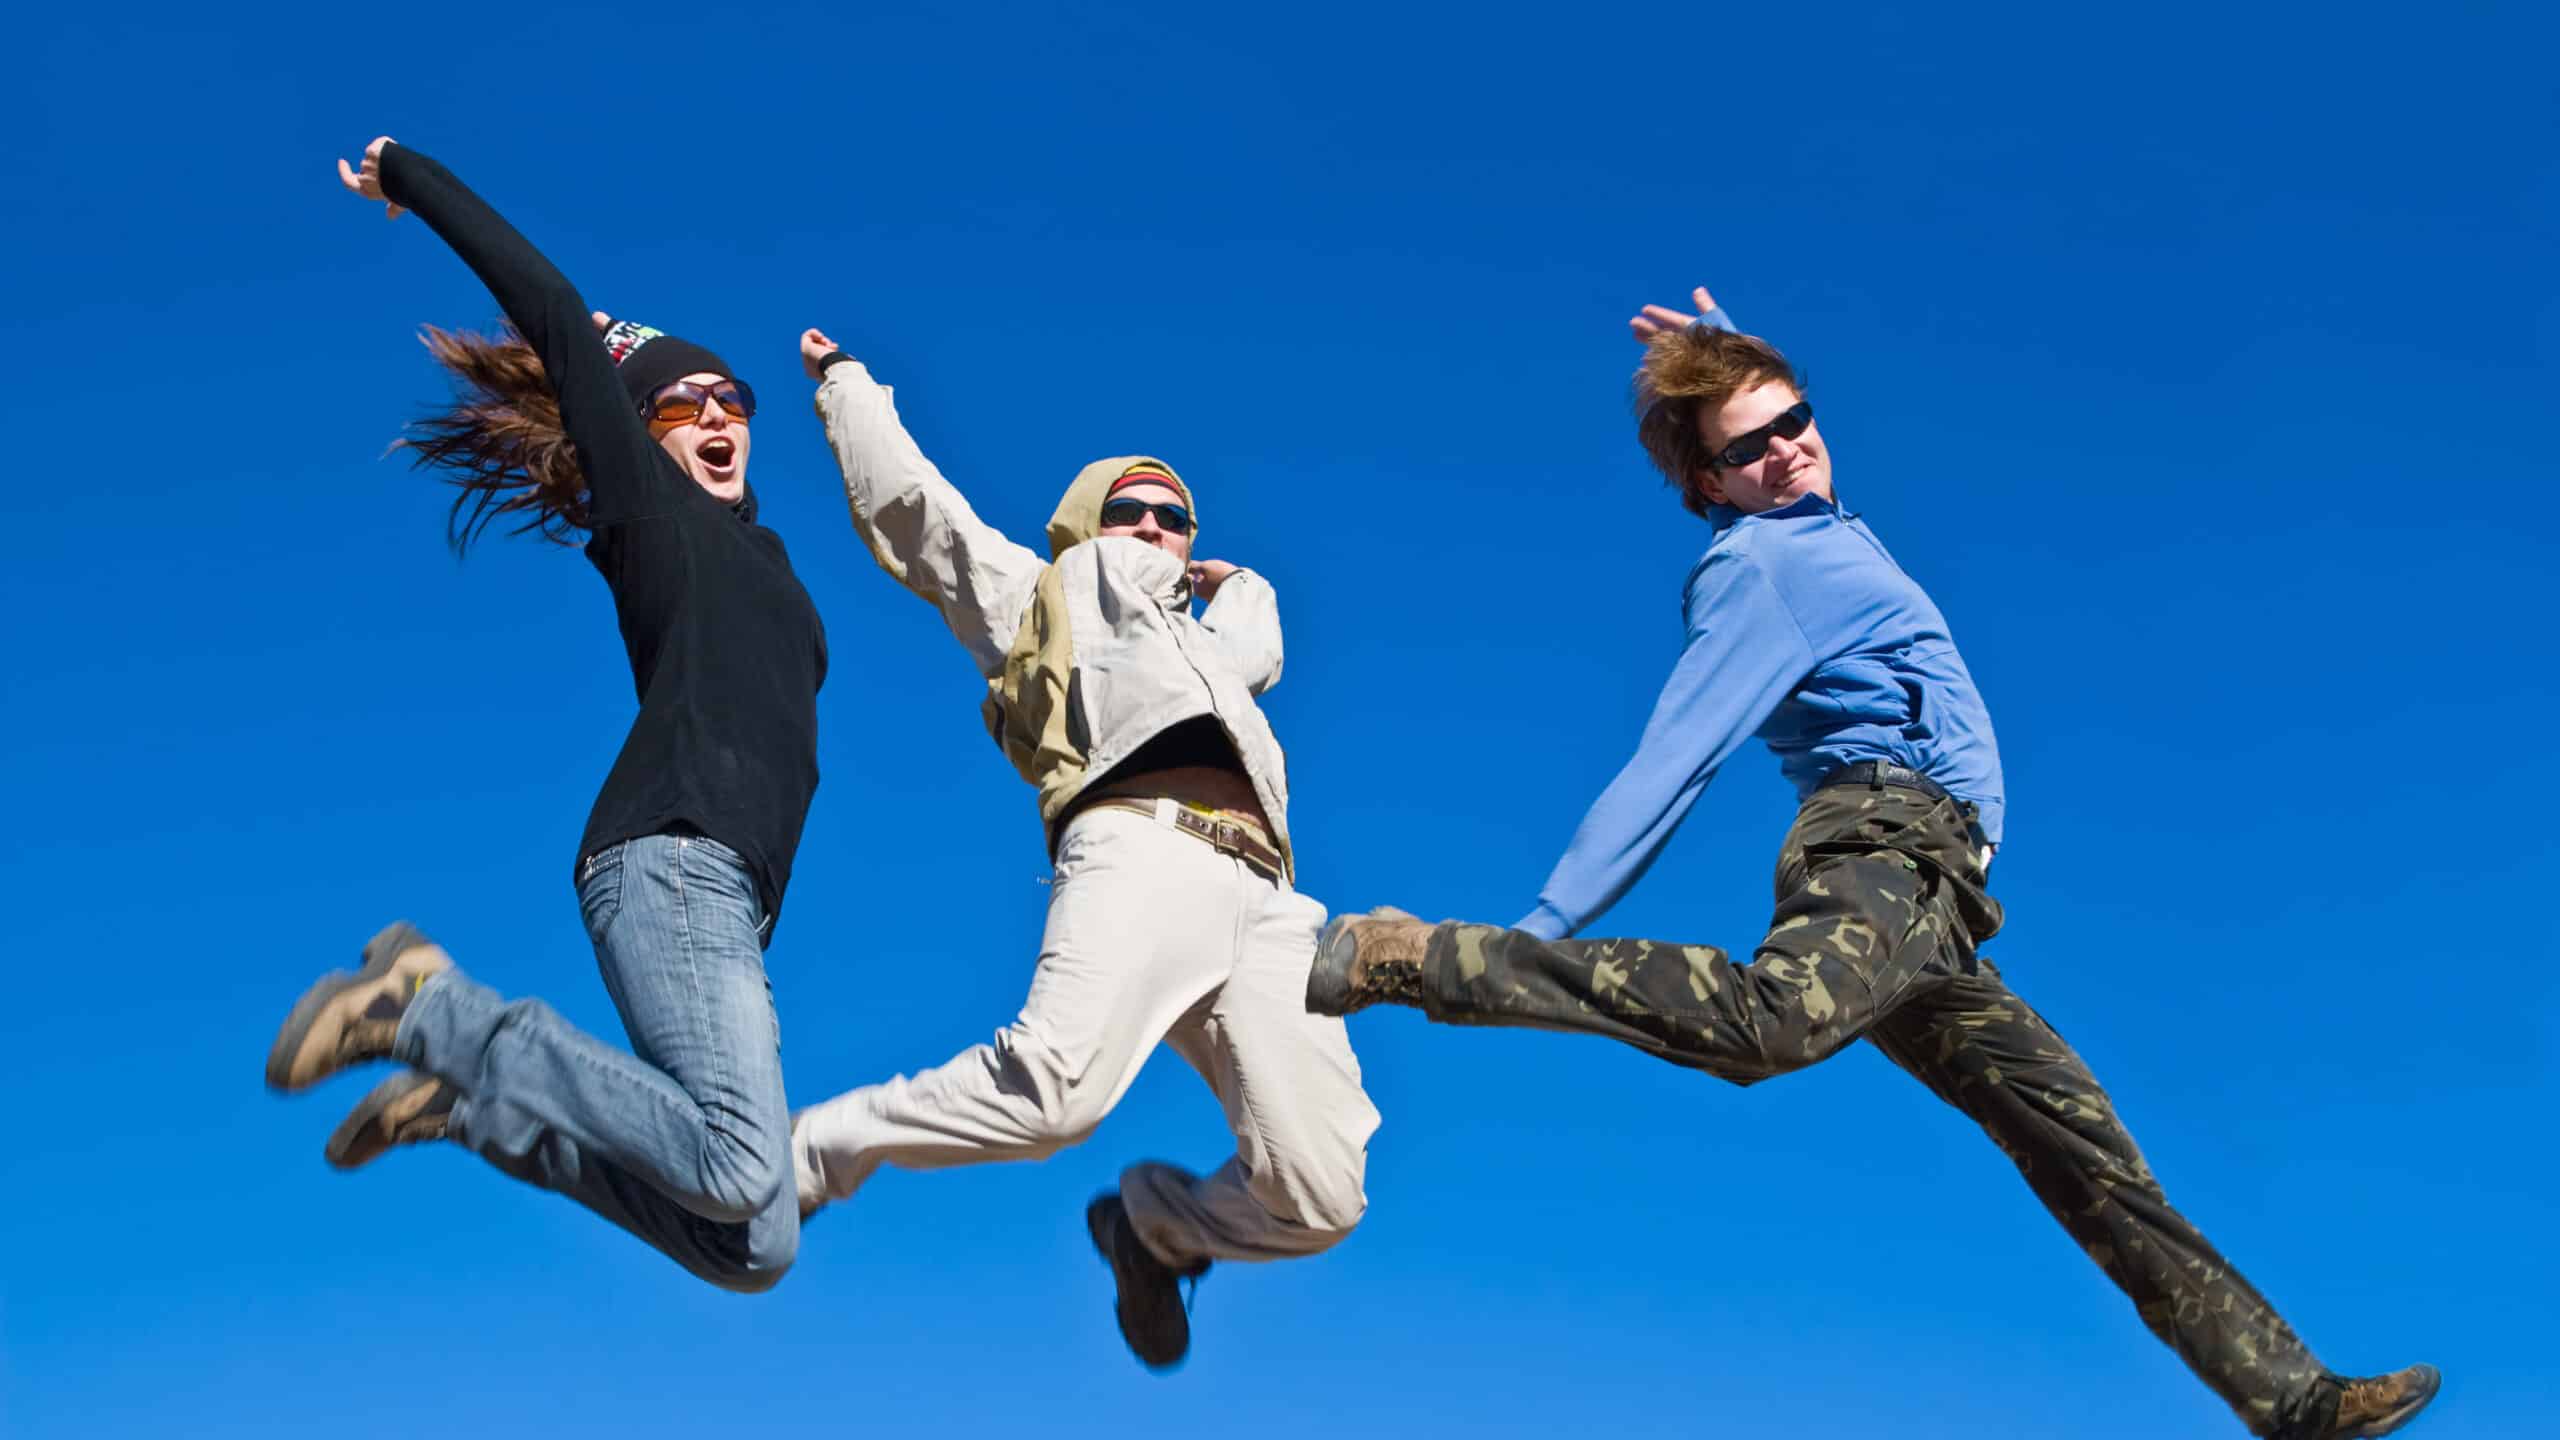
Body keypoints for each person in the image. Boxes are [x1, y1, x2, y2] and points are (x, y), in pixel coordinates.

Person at [1307, 288, 2438, 1439]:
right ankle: (1422, 958)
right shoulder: (1757, 568)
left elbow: (1785, 453)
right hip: (1880, 854)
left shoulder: (1827, 532)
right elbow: (1672, 759)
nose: (1786, 450)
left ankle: (2286, 1396)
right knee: (1774, 1024)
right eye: (1748, 449)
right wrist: (1537, 931)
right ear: (1708, 487)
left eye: (1795, 420)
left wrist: (1723, 354)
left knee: (2080, 1145)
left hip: (1939, 917)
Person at [262, 137, 827, 1294]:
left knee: (755, 1242)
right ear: (642, 431)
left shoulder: (761, 556)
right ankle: (427, 1003)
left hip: (735, 906)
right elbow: (558, 309)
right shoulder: (647, 514)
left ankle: (474, 1113)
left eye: (735, 400)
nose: (719, 413)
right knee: (732, 1163)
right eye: (684, 402)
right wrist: (410, 179)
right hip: (671, 856)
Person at [788, 326, 1377, 1369]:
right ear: (1087, 525)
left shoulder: (1209, 648)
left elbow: (1258, 649)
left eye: (1175, 517)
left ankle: (1153, 1224)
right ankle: (808, 1155)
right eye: (1129, 511)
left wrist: (1232, 584)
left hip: (1268, 897)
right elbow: (917, 514)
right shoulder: (1042, 597)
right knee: (1056, 1095)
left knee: (1323, 1194)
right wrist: (846, 388)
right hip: (1138, 848)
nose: (1153, 527)